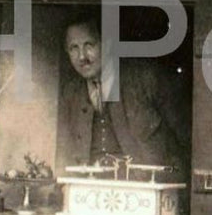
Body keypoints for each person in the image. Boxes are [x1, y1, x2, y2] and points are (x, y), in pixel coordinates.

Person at [55, 15, 190, 181]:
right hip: (92, 194)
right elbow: (65, 156)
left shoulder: (146, 79)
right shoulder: (71, 93)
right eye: (73, 48)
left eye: (89, 45)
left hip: (148, 192)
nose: (82, 56)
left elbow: (188, 140)